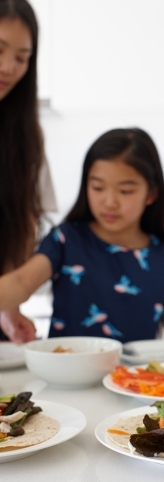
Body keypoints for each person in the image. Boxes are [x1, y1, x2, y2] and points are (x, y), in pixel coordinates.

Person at [0, 127, 164, 351]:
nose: (110, 202)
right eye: (98, 187)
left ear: (151, 194)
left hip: (137, 388)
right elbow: (22, 283)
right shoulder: (65, 239)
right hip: (64, 383)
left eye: (125, 191)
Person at [0, 0, 57, 343]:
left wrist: (8, 309)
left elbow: (23, 222)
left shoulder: (25, 139)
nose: (8, 67)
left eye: (22, 58)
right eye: (0, 49)